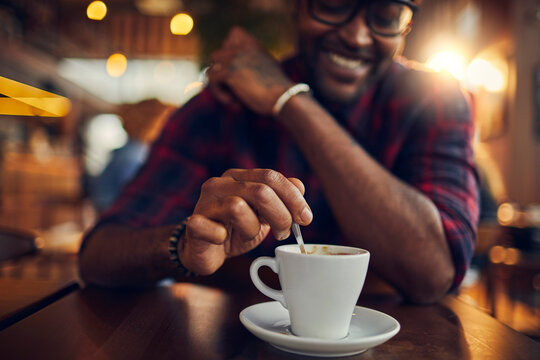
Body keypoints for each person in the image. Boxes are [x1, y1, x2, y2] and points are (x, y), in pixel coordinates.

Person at [79, 0, 479, 304]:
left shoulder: (435, 100)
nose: (357, 36)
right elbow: (98, 256)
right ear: (296, 6)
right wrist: (182, 246)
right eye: (334, 4)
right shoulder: (221, 106)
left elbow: (436, 272)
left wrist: (289, 101)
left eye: (386, 14)